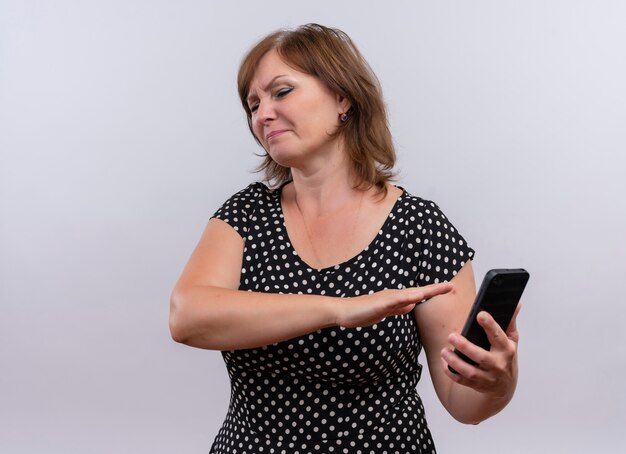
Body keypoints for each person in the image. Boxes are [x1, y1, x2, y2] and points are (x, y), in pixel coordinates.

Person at [170, 23, 520, 454]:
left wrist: (497, 383)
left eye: (281, 92)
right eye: (253, 104)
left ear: (343, 98)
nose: (262, 115)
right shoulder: (246, 215)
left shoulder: (418, 227)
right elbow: (187, 316)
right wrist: (340, 310)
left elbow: (464, 403)